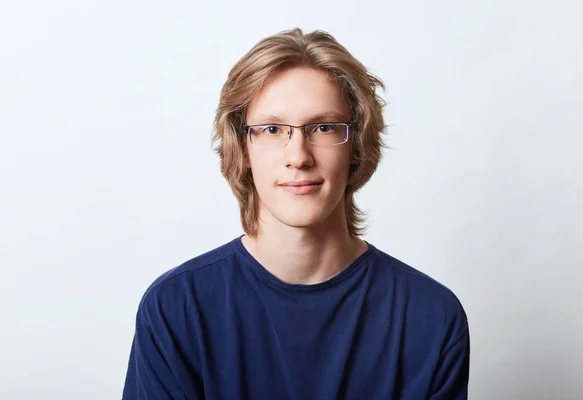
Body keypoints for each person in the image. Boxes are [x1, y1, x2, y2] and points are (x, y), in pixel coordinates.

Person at [123, 28, 470, 399]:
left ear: (356, 144)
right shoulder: (176, 308)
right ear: (243, 147)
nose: (298, 157)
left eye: (323, 127)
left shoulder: (430, 316)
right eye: (272, 129)